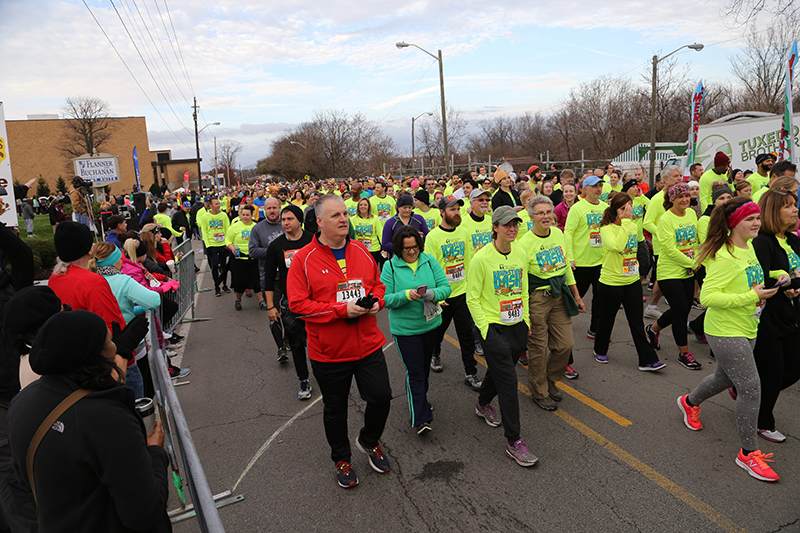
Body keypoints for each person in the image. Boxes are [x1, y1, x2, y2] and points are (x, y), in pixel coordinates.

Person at [6, 311, 171, 531]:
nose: (114, 345)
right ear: (97, 354)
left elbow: (23, 480)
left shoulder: (20, 403)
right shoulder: (106, 418)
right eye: (110, 340)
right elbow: (145, 512)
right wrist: (155, 453)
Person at [286, 194, 392, 489]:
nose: (344, 219)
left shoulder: (360, 250)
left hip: (368, 344)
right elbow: (297, 304)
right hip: (329, 352)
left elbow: (378, 286)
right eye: (336, 215)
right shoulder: (303, 260)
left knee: (381, 397)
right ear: (319, 221)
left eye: (345, 213)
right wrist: (339, 310)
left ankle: (369, 441)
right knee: (335, 410)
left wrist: (377, 303)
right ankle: (341, 459)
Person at [677, 197, 783, 482]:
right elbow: (708, 297)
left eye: (758, 218)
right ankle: (748, 454)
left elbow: (749, 278)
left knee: (724, 379)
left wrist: (776, 275)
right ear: (734, 223)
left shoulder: (747, 247)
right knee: (751, 388)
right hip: (725, 331)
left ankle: (689, 401)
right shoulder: (724, 256)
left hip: (748, 327)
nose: (757, 223)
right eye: (750, 219)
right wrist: (752, 296)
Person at [469, 206, 537, 467]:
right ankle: (514, 442)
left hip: (518, 325)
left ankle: (483, 402)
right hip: (494, 328)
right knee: (509, 383)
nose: (512, 228)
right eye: (507, 224)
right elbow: (472, 298)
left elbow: (524, 288)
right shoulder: (481, 258)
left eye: (516, 224)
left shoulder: (520, 251)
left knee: (499, 372)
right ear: (495, 227)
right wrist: (486, 330)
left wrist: (527, 319)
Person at [381, 226, 450, 434]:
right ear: (399, 249)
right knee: (415, 372)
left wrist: (430, 294)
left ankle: (421, 401)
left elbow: (446, 288)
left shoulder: (429, 260)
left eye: (414, 247)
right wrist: (405, 295)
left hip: (430, 325)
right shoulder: (390, 267)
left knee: (423, 369)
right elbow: (385, 299)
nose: (411, 252)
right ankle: (421, 418)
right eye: (406, 248)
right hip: (405, 330)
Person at [519, 196, 585, 411]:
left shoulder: (557, 234)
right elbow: (522, 281)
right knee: (537, 348)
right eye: (540, 213)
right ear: (531, 217)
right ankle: (539, 391)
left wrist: (576, 295)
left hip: (559, 295)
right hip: (537, 298)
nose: (546, 216)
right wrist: (525, 313)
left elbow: (565, 266)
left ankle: (550, 379)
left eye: (548, 212)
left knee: (565, 344)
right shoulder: (524, 244)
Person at [593, 192, 665, 371]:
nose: (628, 211)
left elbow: (639, 246)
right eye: (623, 208)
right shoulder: (606, 228)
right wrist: (625, 222)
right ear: (615, 210)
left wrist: (642, 270)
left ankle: (647, 360)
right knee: (607, 318)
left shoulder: (633, 226)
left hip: (631, 280)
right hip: (610, 282)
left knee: (636, 321)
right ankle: (600, 348)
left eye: (630, 207)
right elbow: (617, 246)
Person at [750, 188, 800, 443]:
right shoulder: (762, 241)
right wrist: (787, 285)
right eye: (788, 206)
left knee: (792, 368)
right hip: (767, 318)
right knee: (773, 372)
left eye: (795, 204)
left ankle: (749, 392)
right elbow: (759, 280)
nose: (795, 209)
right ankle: (763, 421)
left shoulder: (791, 240)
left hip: (791, 315)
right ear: (773, 211)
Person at [88, 242, 162, 398]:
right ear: (116, 260)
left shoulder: (92, 280)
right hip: (129, 344)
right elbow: (154, 300)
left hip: (99, 346)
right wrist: (138, 309)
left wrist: (131, 309)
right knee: (141, 393)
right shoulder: (123, 281)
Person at [425, 195, 483, 390]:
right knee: (438, 332)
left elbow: (469, 261)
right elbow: (430, 268)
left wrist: (472, 288)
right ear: (442, 212)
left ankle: (471, 372)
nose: (457, 213)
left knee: (466, 335)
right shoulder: (433, 236)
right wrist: (436, 296)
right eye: (452, 210)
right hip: (443, 296)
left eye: (458, 209)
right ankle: (436, 353)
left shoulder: (464, 232)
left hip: (462, 293)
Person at [645, 183, 702, 371]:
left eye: (687, 196)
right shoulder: (666, 219)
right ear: (672, 199)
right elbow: (669, 250)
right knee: (681, 310)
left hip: (688, 269)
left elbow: (694, 242)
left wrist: (697, 259)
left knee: (682, 308)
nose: (685, 199)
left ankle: (653, 330)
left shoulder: (692, 214)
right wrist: (692, 263)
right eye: (680, 197)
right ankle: (684, 353)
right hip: (669, 272)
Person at [264, 205, 314, 400]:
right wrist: (270, 306)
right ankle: (303, 378)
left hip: (315, 300)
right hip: (291, 302)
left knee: (318, 340)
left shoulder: (313, 240)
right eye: (283, 220)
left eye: (289, 219)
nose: (285, 223)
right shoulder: (276, 246)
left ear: (299, 220)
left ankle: (323, 373)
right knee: (296, 343)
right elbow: (268, 279)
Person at [563, 174, 607, 339]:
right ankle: (562, 323)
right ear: (584, 189)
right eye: (595, 186)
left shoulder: (604, 207)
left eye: (600, 186)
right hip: (580, 262)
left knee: (599, 298)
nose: (598, 189)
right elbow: (568, 233)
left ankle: (595, 328)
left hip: (601, 261)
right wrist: (570, 257)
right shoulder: (577, 208)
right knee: (574, 297)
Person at [225, 205, 262, 310]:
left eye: (247, 215)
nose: (245, 217)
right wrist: (232, 248)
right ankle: (238, 299)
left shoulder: (256, 226)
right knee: (239, 283)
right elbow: (227, 240)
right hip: (239, 259)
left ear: (252, 215)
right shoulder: (235, 227)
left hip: (253, 258)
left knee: (257, 282)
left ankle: (261, 301)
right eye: (243, 215)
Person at [197, 198, 231, 297]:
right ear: (210, 205)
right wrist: (207, 246)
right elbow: (204, 232)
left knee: (224, 266)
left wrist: (227, 243)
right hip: (212, 245)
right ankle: (217, 286)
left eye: (219, 204)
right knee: (215, 265)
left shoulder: (223, 215)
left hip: (223, 244)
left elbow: (227, 229)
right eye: (216, 204)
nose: (218, 205)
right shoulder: (205, 217)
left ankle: (224, 285)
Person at [351, 197, 384, 268]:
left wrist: (384, 247)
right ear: (358, 207)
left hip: (374, 249)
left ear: (369, 206)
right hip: (359, 249)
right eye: (361, 205)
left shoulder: (375, 218)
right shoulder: (353, 219)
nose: (363, 206)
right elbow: (351, 235)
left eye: (365, 205)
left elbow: (380, 233)